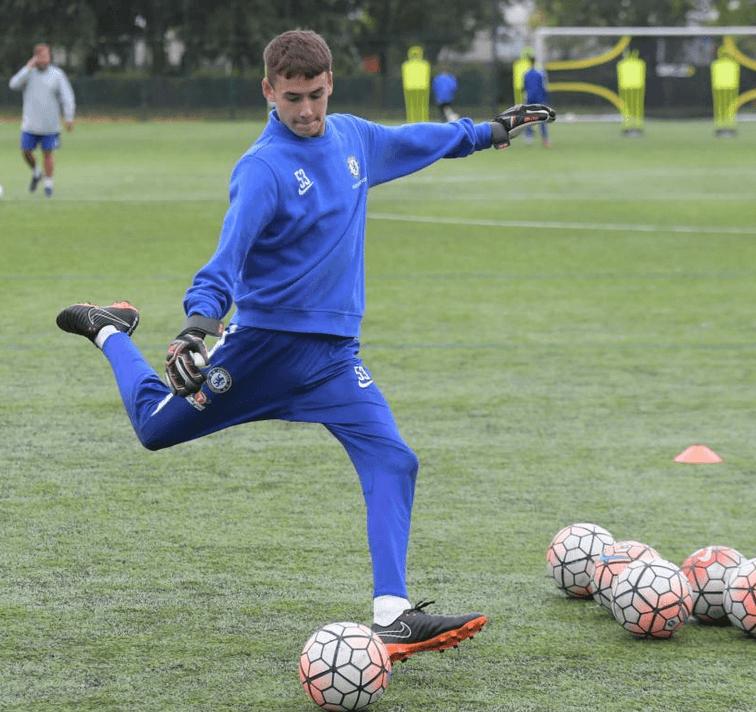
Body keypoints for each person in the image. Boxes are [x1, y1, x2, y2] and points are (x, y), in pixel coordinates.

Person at [56, 30, 554, 664]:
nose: (307, 112)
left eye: (316, 96)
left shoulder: (352, 138)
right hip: (263, 351)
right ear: (269, 91)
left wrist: (488, 132)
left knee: (395, 459)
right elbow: (224, 262)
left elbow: (414, 140)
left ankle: (392, 614)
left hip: (333, 358)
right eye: (293, 98)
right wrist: (195, 327)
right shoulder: (262, 169)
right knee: (154, 431)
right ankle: (107, 329)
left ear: (330, 87)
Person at [8, 43, 75, 197]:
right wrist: (27, 68)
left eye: (47, 56)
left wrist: (69, 116)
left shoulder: (57, 75)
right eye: (41, 56)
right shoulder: (29, 73)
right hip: (30, 124)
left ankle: (48, 185)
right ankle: (36, 172)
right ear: (35, 57)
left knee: (48, 154)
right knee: (25, 152)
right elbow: (13, 84)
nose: (44, 59)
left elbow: (67, 96)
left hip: (50, 125)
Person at [522, 56, 551, 148]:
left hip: (530, 98)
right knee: (542, 118)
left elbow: (524, 88)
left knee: (528, 118)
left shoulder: (526, 73)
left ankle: (529, 138)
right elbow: (544, 86)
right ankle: (545, 139)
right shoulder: (541, 72)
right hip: (539, 98)